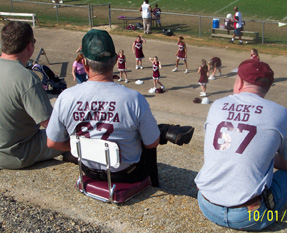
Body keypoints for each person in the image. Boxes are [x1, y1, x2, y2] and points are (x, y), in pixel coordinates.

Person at [46, 29, 194, 187]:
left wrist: (88, 149)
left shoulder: (65, 97)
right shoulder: (133, 99)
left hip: (88, 169)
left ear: (84, 63)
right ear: (116, 60)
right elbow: (151, 144)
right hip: (127, 174)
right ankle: (154, 180)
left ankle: (164, 131)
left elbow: (53, 143)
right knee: (147, 138)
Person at [195, 59, 287, 230]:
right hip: (248, 216)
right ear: (268, 86)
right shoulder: (280, 114)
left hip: (207, 205)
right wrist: (268, 156)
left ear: (240, 82)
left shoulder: (217, 106)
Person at [0, 21, 72, 169]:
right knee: (76, 133)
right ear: (29, 46)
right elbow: (52, 125)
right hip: (17, 153)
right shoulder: (26, 78)